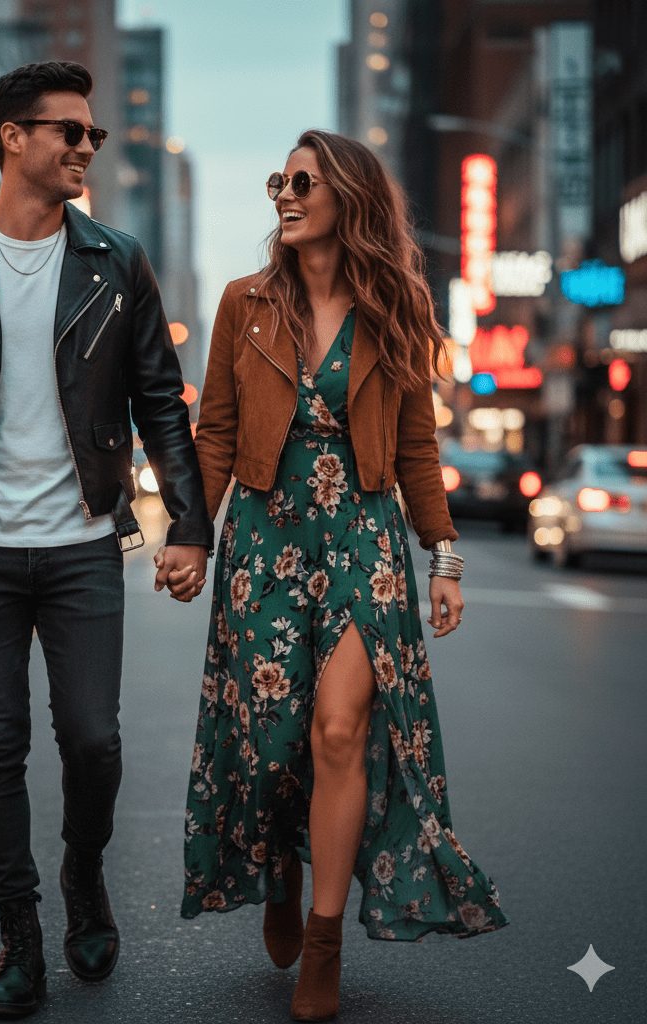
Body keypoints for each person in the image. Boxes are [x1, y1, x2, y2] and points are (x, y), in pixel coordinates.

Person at [0, 61, 212, 1019]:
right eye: (69, 131)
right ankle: (19, 937)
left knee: (94, 741)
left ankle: (82, 874)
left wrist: (189, 522)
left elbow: (159, 403)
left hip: (81, 543)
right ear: (12, 137)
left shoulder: (117, 261)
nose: (85, 148)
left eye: (92, 135)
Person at [173, 129, 508, 1021]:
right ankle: (280, 866)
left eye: (304, 181)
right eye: (279, 179)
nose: (285, 193)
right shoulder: (245, 304)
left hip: (362, 536)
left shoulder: (395, 307)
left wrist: (443, 556)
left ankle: (323, 941)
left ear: (348, 198)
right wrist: (189, 535)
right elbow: (213, 433)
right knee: (273, 739)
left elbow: (417, 450)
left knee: (335, 731)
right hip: (264, 536)